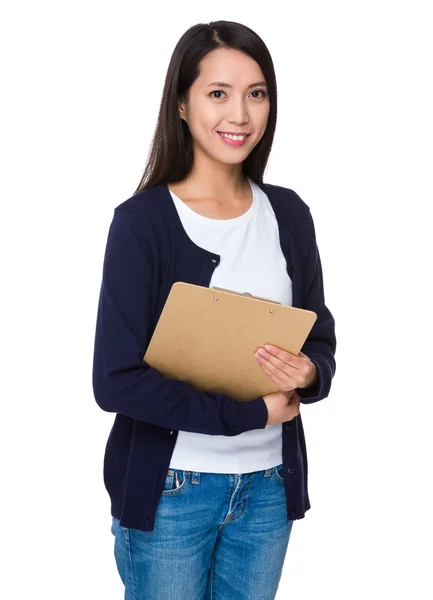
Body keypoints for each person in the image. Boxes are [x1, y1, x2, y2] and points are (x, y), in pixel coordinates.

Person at [92, 19, 337, 600]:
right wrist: (249, 413)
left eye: (256, 93)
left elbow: (320, 337)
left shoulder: (289, 214)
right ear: (182, 103)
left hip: (269, 488)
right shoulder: (142, 223)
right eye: (218, 94)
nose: (241, 115)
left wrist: (310, 372)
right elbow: (115, 382)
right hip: (173, 488)